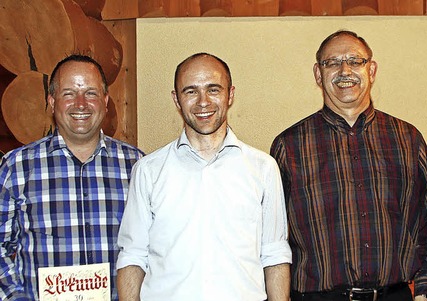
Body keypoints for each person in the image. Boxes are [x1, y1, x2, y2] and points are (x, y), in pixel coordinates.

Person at [270, 30, 427, 301]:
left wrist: (425, 289)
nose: (344, 70)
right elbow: (273, 237)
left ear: (371, 70)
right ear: (317, 73)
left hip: (394, 296)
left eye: (355, 61)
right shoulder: (289, 146)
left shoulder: (408, 138)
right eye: (332, 62)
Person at [116, 53, 291, 301]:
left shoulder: (263, 168)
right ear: (176, 99)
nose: (203, 102)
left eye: (213, 89)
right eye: (191, 91)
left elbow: (274, 254)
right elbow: (133, 255)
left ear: (230, 95)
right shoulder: (148, 170)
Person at [0, 54, 144, 300]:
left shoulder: (138, 166)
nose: (80, 104)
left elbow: (154, 247)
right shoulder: (16, 167)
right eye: (68, 93)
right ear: (52, 101)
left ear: (105, 101)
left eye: (90, 93)